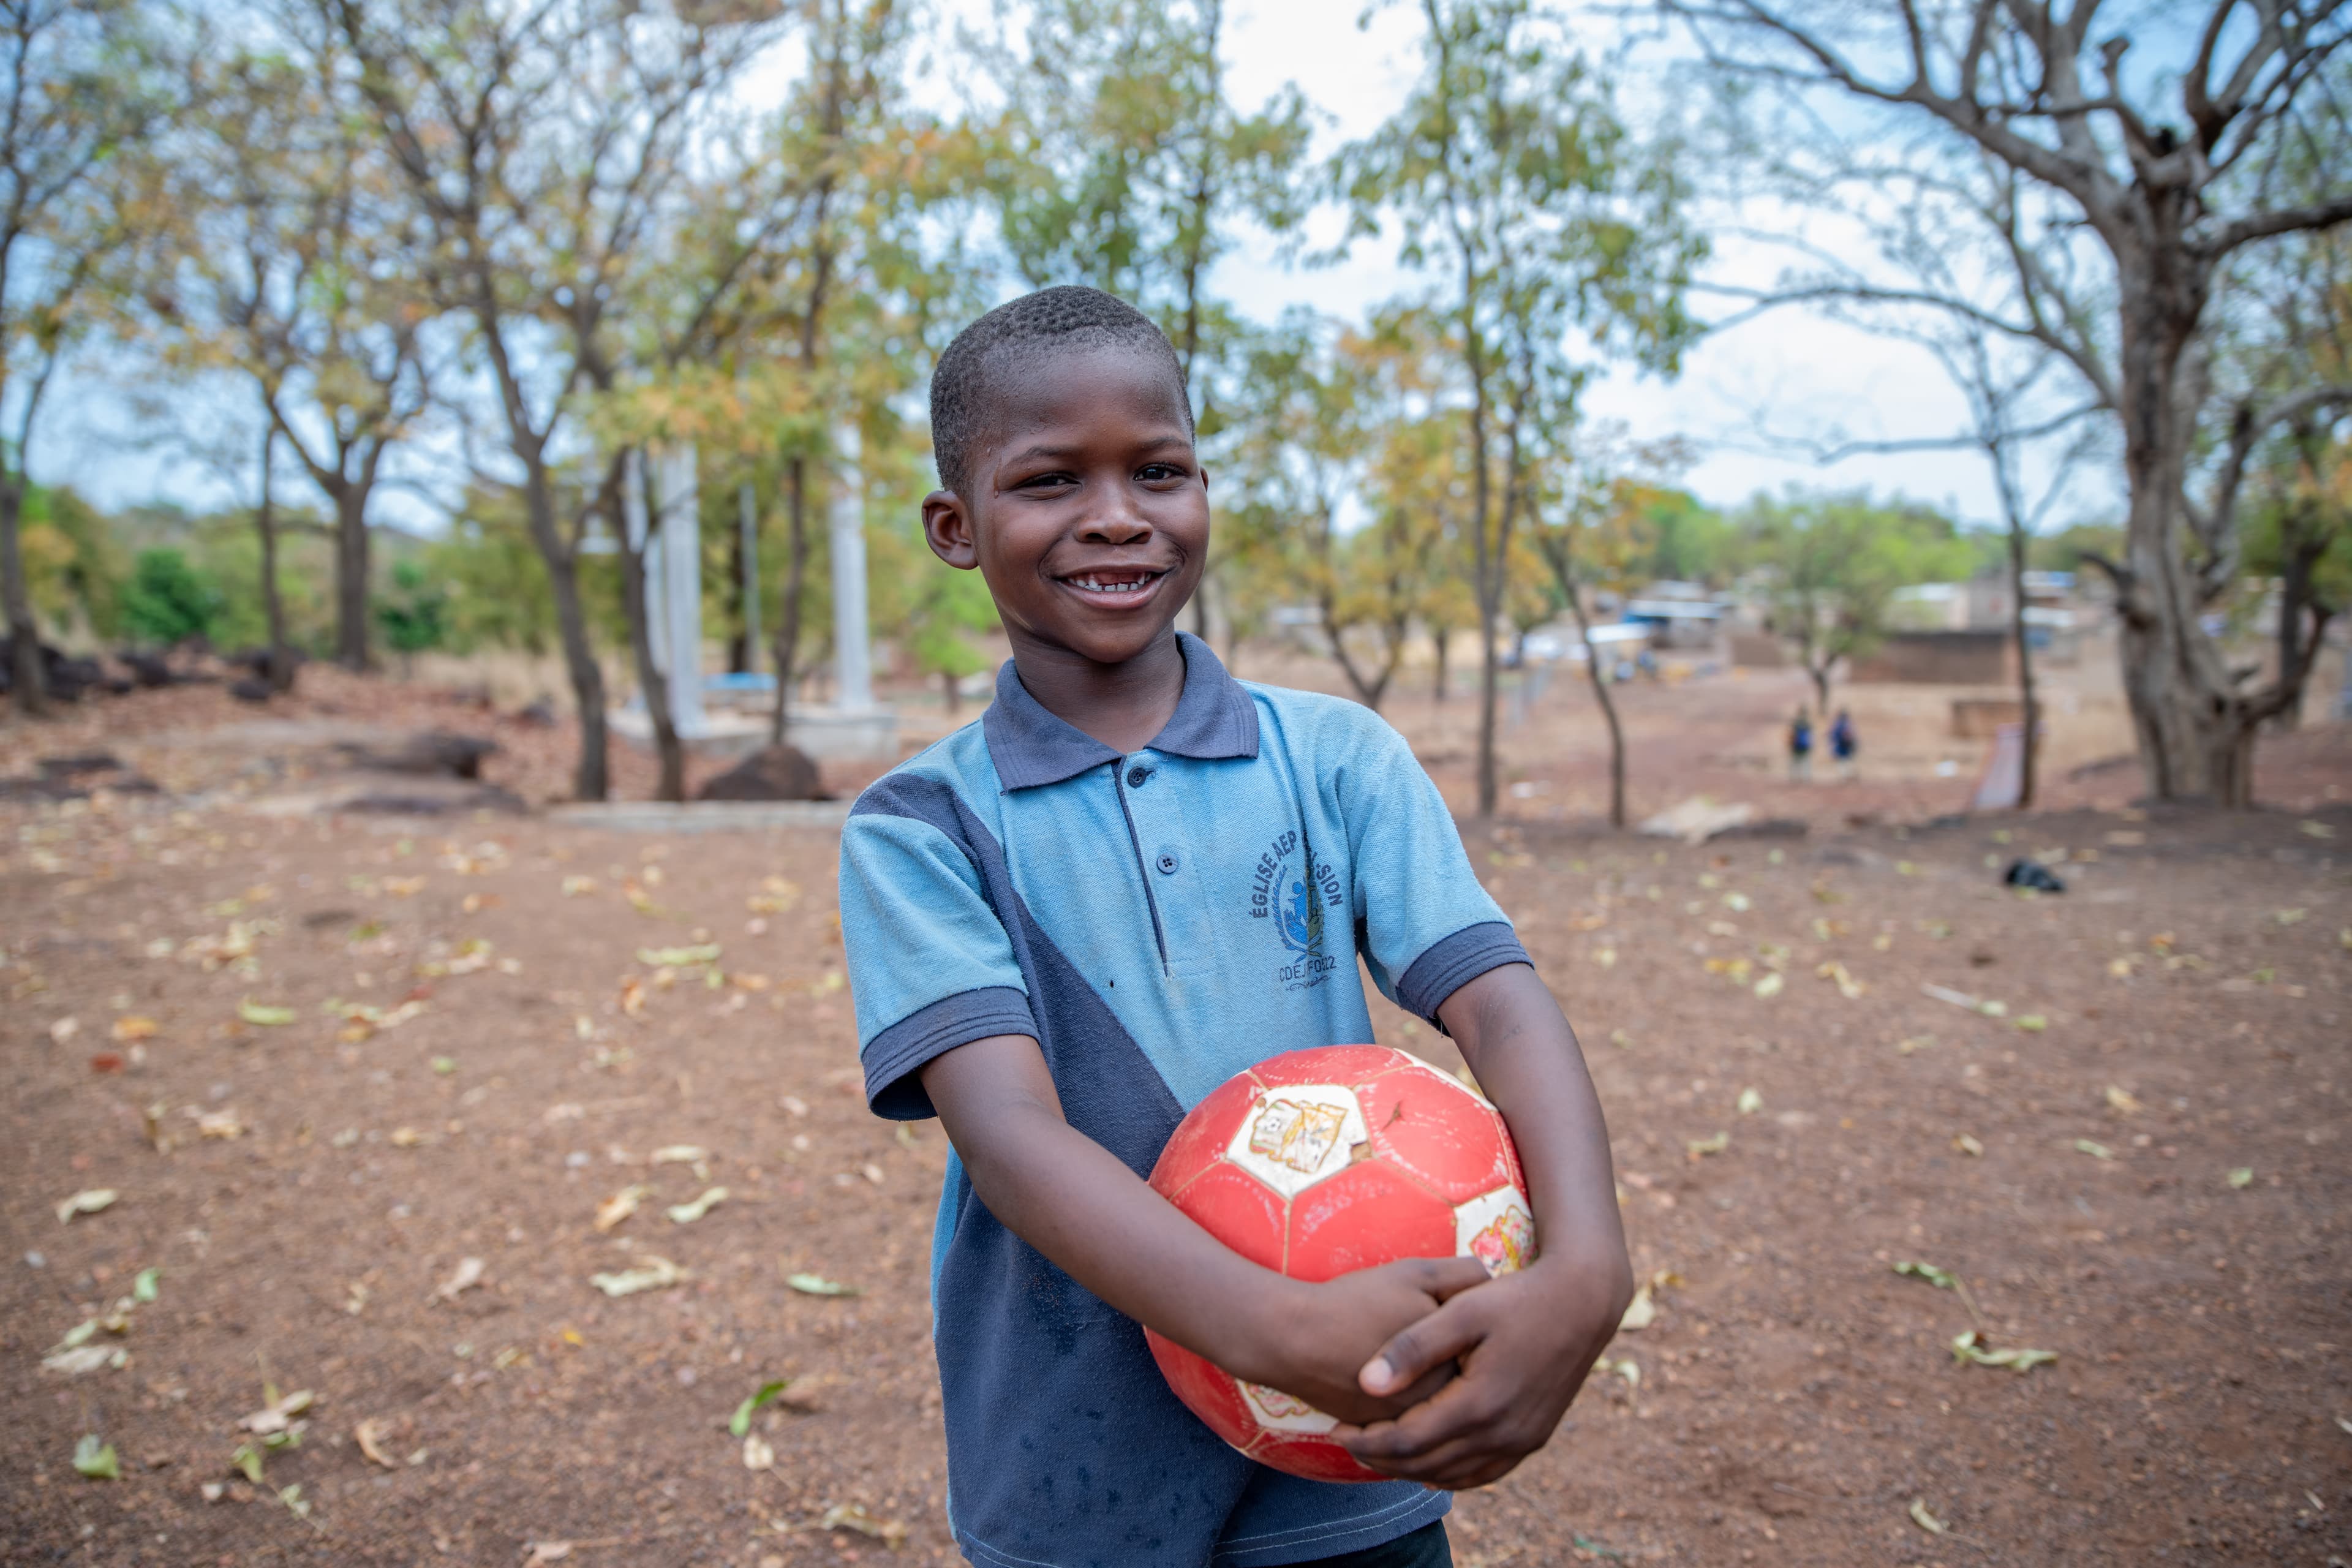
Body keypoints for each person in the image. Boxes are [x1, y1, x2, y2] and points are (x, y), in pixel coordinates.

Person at [837, 287, 1632, 1568]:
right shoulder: (921, 827)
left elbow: (1496, 991)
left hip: (1355, 1436)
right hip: (1073, 1456)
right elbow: (1010, 1134)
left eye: (1159, 469)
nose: (1116, 513)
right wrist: (1271, 1328)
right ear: (956, 526)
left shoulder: (1335, 757)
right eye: (1049, 479)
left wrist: (1590, 1263)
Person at [1830, 709, 1858, 780]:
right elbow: (1854, 736)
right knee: (1847, 761)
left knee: (1842, 761)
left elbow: (1834, 736)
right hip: (1848, 746)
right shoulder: (1849, 724)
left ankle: (1844, 776)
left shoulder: (1838, 725)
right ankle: (1847, 775)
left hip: (1841, 746)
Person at [1789, 706, 1813, 780]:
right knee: (1805, 761)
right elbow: (1810, 736)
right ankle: (1806, 776)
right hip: (1805, 745)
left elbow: (1791, 734)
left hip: (1796, 745)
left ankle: (1794, 776)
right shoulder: (1808, 723)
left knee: (1795, 761)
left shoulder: (1795, 723)